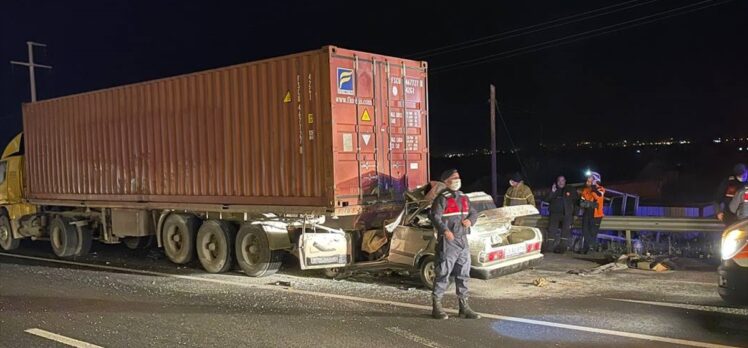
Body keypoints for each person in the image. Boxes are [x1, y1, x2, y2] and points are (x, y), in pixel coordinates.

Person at [430, 169, 480, 320]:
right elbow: (434, 216)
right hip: (448, 241)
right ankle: (437, 307)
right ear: (446, 181)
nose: (457, 180)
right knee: (443, 273)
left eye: (458, 177)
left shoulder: (464, 197)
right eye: (454, 178)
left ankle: (464, 308)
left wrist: (470, 221)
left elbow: (474, 213)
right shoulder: (441, 198)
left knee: (463, 274)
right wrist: (445, 231)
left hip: (462, 240)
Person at [543, 175, 578, 253]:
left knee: (565, 231)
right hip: (554, 214)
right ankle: (549, 248)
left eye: (562, 180)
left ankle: (562, 248)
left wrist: (575, 214)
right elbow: (546, 200)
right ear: (557, 182)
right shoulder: (553, 190)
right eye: (559, 181)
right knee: (552, 230)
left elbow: (576, 203)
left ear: (565, 181)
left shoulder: (570, 190)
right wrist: (552, 191)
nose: (560, 182)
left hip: (567, 214)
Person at [580, 171, 605, 254]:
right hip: (587, 213)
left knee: (592, 233)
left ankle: (589, 250)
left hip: (596, 215)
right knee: (584, 231)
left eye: (590, 178)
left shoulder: (601, 189)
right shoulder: (585, 190)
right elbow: (582, 201)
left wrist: (593, 187)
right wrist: (582, 203)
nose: (587, 180)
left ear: (595, 180)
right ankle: (591, 246)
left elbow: (598, 197)